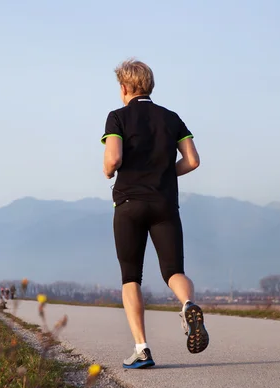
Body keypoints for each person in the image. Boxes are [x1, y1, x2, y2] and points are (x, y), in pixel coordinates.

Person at [101, 58, 209, 369]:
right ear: (149, 86)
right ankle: (188, 304)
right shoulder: (172, 118)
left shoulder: (117, 117)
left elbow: (114, 158)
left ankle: (142, 349)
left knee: (131, 277)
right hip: (164, 203)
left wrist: (108, 170)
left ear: (124, 88)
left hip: (129, 205)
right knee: (173, 271)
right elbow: (192, 161)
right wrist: (163, 174)